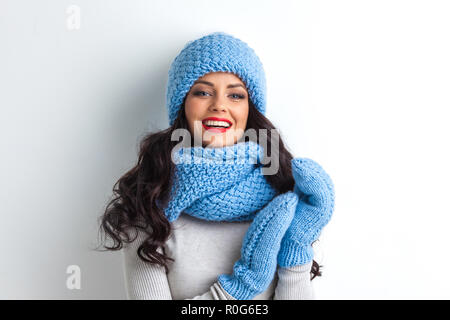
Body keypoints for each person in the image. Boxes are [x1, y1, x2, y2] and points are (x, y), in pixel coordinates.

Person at [97, 32, 335, 300]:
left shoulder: (283, 198)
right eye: (202, 92)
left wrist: (296, 250)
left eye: (235, 95)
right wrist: (240, 289)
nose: (219, 105)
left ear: (250, 110)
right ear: (183, 105)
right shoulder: (149, 207)